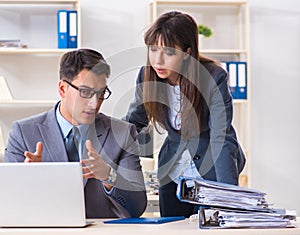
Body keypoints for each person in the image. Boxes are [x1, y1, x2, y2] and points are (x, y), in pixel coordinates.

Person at [124, 11, 246, 217]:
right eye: (153, 50)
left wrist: (229, 198)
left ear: (187, 53)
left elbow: (221, 137)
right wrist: (106, 149)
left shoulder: (213, 77)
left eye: (169, 52)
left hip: (213, 171)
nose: (158, 60)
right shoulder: (147, 77)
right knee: (173, 228)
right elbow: (133, 123)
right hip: (174, 174)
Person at [5, 48, 147, 218]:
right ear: (63, 89)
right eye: (85, 92)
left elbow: (137, 207)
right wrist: (29, 179)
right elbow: (9, 205)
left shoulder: (122, 133)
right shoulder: (23, 133)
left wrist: (110, 177)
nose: (94, 104)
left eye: (101, 94)